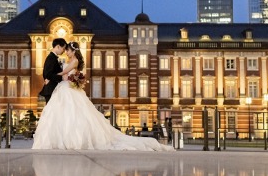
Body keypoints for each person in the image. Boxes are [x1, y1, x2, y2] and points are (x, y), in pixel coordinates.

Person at [33, 41, 173, 151]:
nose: (66, 52)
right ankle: (63, 138)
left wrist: (49, 78)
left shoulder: (73, 62)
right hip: (66, 89)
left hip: (67, 89)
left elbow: (63, 74)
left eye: (67, 50)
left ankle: (71, 139)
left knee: (72, 115)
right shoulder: (70, 61)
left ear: (72, 50)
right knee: (68, 115)